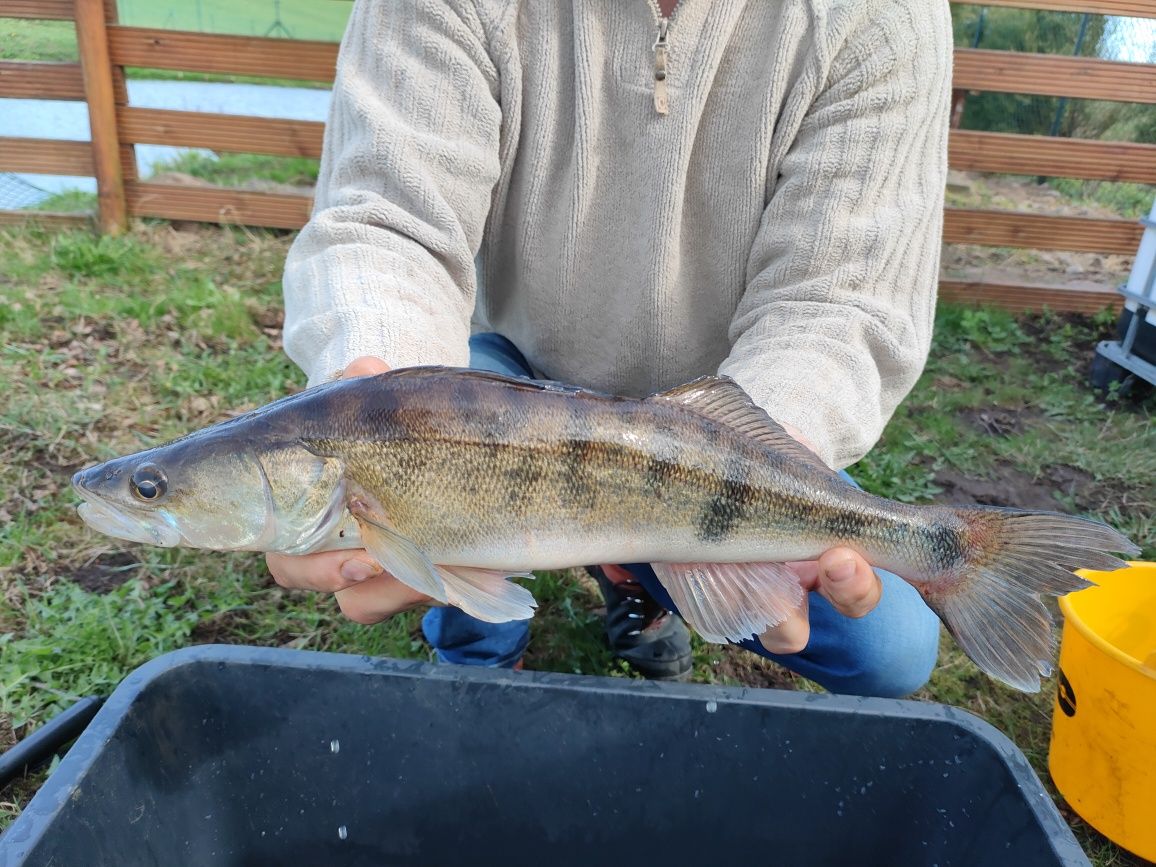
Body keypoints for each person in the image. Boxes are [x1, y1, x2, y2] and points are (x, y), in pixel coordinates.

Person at [268, 0, 952, 698]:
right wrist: (377, 406)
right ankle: (481, 647)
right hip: (506, 387)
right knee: (419, 494)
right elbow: (390, 223)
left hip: (713, 415)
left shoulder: (881, 16)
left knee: (891, 646)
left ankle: (642, 567)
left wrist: (747, 469)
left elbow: (835, 298)